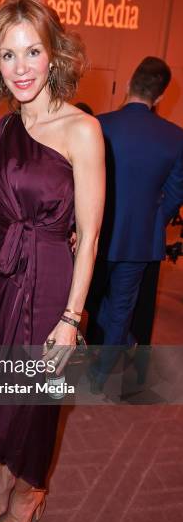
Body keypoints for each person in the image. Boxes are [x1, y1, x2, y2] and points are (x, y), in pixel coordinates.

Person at [0, 0, 105, 522]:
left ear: (53, 56)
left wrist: (72, 317)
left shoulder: (82, 130)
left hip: (51, 275)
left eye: (33, 51)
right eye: (9, 55)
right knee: (2, 386)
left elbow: (91, 232)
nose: (21, 66)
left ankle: (29, 489)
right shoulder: (6, 123)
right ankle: (7, 468)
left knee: (36, 397)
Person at [86, 57, 183, 389]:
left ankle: (119, 341)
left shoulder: (99, 125)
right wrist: (154, 220)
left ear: (128, 83)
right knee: (122, 306)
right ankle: (103, 372)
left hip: (97, 233)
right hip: (141, 239)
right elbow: (175, 192)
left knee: (87, 299)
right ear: (158, 97)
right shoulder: (175, 137)